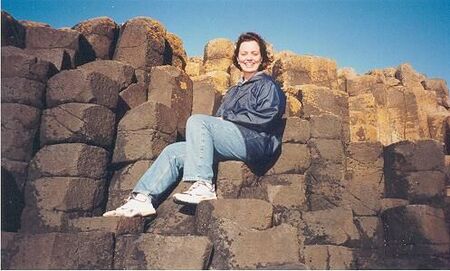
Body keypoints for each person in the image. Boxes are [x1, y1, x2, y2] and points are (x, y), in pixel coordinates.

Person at [103, 32, 286, 217]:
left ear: (262, 57)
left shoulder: (267, 84)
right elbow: (220, 121)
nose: (249, 58)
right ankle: (143, 198)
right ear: (237, 57)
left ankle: (203, 185)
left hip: (256, 142)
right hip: (234, 141)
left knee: (198, 121)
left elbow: (267, 116)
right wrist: (224, 119)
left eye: (254, 53)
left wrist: (229, 117)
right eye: (244, 53)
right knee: (173, 151)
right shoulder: (233, 91)